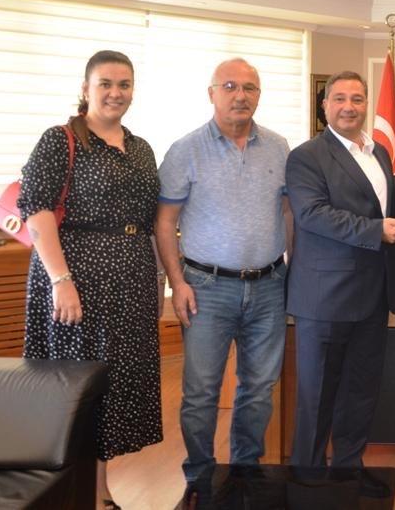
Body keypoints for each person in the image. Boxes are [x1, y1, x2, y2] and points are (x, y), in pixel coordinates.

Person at [19, 49, 163, 509]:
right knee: (76, 388)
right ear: (86, 88)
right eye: (105, 83)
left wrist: (159, 282)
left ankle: (100, 491)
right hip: (77, 281)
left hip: (131, 281)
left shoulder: (141, 148)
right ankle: (73, 496)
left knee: (112, 388)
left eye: (124, 84)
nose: (115, 92)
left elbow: (151, 221)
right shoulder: (60, 139)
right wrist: (61, 280)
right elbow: (36, 210)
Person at [156, 58, 292, 489]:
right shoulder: (185, 150)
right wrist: (177, 283)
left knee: (259, 388)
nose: (240, 95)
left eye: (250, 88)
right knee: (201, 393)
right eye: (230, 86)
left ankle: (245, 473)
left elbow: (288, 213)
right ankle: (200, 476)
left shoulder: (279, 147)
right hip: (206, 288)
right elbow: (164, 222)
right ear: (211, 93)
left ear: (259, 96)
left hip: (269, 287)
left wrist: (293, 274)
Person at [286, 70, 395, 467]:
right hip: (325, 299)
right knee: (317, 398)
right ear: (325, 106)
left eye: (357, 99)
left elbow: (385, 209)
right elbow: (312, 214)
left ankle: (348, 472)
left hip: (373, 297)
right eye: (339, 98)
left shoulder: (378, 153)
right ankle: (307, 478)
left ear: (366, 105)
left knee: (360, 394)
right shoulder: (306, 156)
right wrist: (377, 231)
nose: (349, 106)